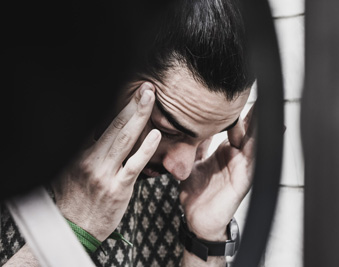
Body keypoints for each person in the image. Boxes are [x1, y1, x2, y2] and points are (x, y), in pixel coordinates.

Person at [1, 0, 256, 266]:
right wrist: (75, 228)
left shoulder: (177, 188)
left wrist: (206, 240)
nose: (183, 169)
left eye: (206, 137)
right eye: (167, 129)